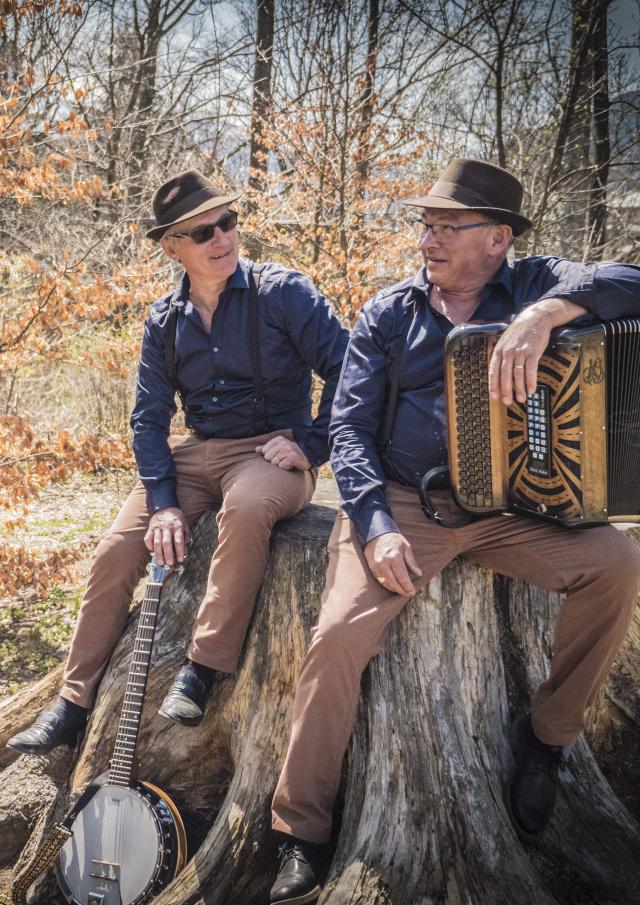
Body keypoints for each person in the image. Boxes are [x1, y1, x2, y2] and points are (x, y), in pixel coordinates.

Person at [268, 158, 640, 905]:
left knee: (617, 564)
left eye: (448, 226)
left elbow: (633, 282)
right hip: (409, 503)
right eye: (427, 224)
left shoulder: (538, 283)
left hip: (517, 509)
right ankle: (299, 829)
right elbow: (346, 428)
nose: (429, 238)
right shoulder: (389, 313)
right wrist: (372, 525)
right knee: (339, 633)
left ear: (498, 239)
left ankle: (546, 739)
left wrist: (545, 315)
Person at [7, 170, 349, 754]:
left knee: (243, 508)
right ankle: (72, 701)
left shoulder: (283, 294)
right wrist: (163, 503)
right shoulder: (164, 322)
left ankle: (203, 666)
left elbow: (351, 369)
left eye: (228, 222)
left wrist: (312, 445)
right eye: (203, 231)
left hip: (271, 452)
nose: (222, 237)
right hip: (195, 454)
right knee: (118, 547)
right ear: (173, 247)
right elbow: (147, 419)